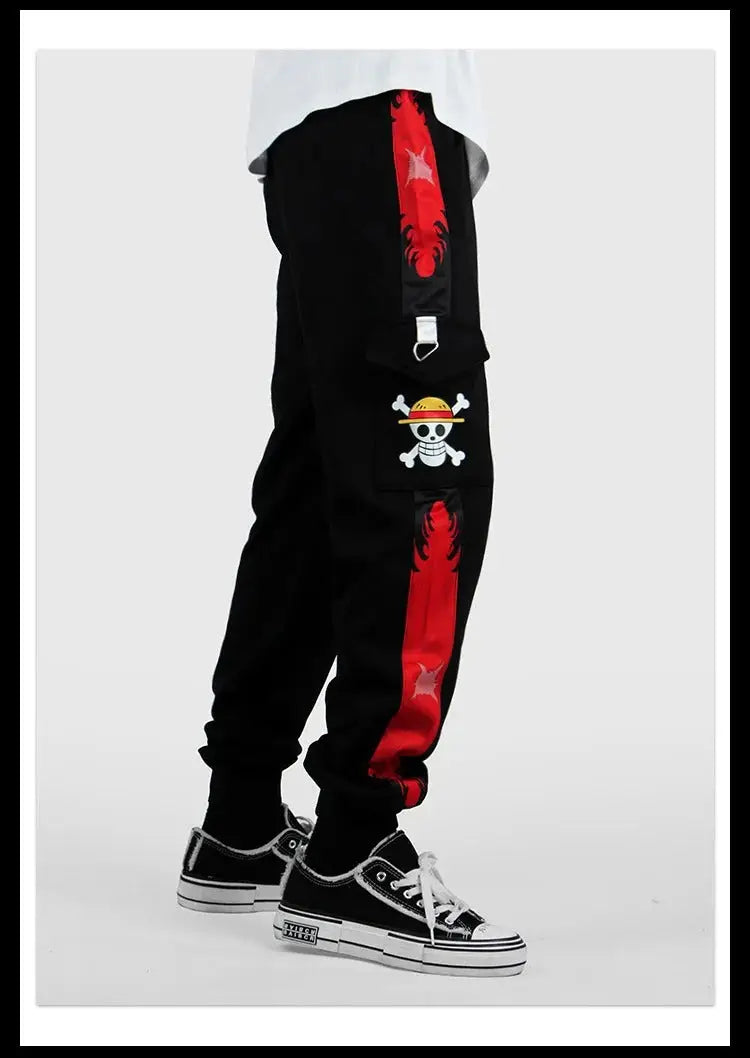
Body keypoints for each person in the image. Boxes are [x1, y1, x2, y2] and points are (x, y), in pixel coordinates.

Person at [176, 50, 526, 977]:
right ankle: (351, 848)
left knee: (320, 479)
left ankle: (242, 822)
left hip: (317, 127)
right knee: (425, 476)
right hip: (386, 104)